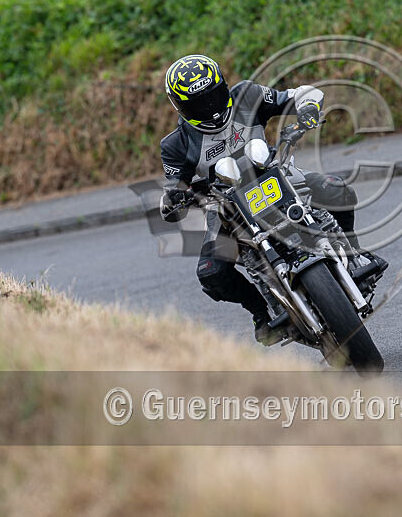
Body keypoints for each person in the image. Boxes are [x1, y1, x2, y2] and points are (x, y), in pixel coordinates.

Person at [158, 54, 385, 344]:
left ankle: (353, 253)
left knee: (337, 190)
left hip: (277, 175)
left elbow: (303, 93)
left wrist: (308, 109)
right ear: (179, 106)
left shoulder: (247, 95)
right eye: (199, 104)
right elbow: (172, 190)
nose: (211, 108)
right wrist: (175, 199)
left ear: (223, 86)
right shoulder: (175, 145)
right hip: (226, 204)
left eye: (213, 97)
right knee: (211, 272)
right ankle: (260, 311)